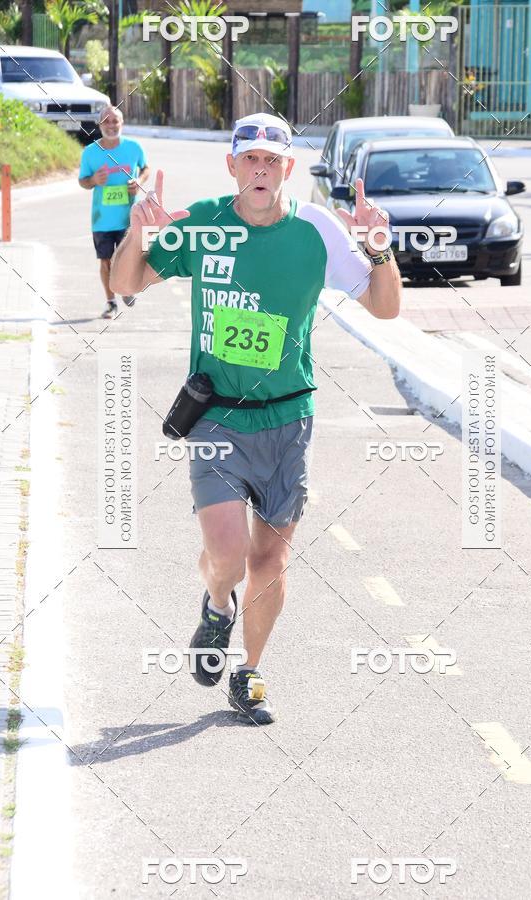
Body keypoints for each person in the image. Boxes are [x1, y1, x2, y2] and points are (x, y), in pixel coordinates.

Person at [110, 112, 401, 726]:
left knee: (270, 559)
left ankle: (250, 670)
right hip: (215, 416)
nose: (262, 169)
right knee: (228, 551)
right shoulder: (205, 223)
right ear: (233, 166)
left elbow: (385, 307)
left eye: (274, 160)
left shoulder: (315, 231)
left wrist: (379, 248)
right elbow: (126, 282)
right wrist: (136, 235)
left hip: (288, 418)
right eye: (251, 159)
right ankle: (218, 604)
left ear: (288, 170)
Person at [78, 105, 150, 319]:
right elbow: (83, 181)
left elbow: (146, 168)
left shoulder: (134, 147)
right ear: (99, 125)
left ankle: (127, 288)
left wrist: (139, 180)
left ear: (122, 123)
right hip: (102, 219)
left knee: (132, 256)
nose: (111, 125)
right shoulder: (90, 152)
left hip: (129, 215)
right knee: (106, 260)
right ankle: (111, 303)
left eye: (115, 121)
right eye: (106, 121)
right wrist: (93, 180)